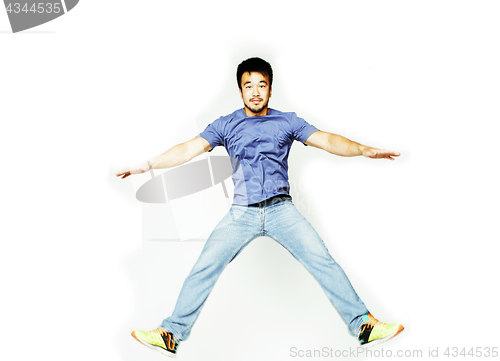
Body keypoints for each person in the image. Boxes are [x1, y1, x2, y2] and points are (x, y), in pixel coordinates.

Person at [116, 57, 404, 358]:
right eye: (248, 86)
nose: (255, 92)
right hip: (242, 213)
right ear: (240, 91)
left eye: (261, 85)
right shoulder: (226, 124)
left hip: (282, 211)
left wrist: (362, 150)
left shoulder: (288, 121)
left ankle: (364, 326)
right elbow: (188, 148)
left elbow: (328, 140)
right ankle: (170, 333)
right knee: (204, 267)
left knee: (323, 261)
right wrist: (149, 165)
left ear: (270, 89)